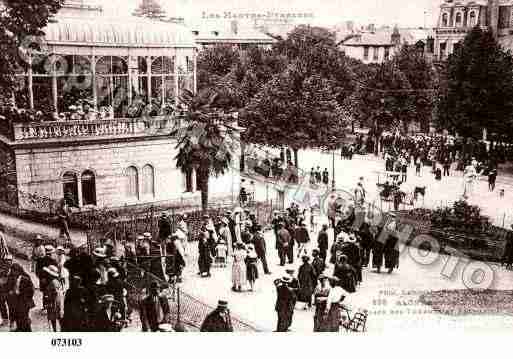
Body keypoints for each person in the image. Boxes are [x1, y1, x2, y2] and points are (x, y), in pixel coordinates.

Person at [8, 263, 35, 331]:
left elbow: (31, 291)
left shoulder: (25, 279)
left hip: (24, 302)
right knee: (18, 317)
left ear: (18, 271)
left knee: (23, 318)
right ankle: (20, 328)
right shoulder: (12, 278)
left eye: (14, 271)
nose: (13, 273)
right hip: (17, 302)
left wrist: (20, 294)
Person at [44, 265, 65, 332]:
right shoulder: (56, 281)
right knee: (55, 319)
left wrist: (48, 298)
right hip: (55, 303)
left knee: (53, 318)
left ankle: (55, 330)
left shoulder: (53, 282)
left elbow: (56, 294)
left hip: (53, 303)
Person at [0, 254, 13, 328]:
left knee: (11, 305)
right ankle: (5, 319)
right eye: (7, 260)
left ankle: (11, 319)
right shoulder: (3, 268)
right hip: (3, 289)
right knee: (2, 304)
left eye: (9, 261)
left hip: (9, 290)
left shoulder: (13, 269)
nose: (8, 262)